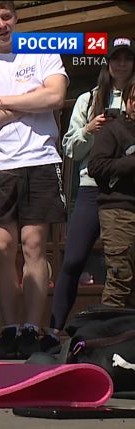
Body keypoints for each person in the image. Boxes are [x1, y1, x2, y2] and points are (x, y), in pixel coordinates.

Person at [0, 1, 68, 359]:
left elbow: (55, 95)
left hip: (40, 159)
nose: (1, 25)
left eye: (6, 17)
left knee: (34, 245)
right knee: (3, 247)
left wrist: (2, 104)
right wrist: (29, 101)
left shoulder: (42, 53)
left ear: (16, 18)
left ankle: (31, 329)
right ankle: (9, 329)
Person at [49, 37, 135, 339]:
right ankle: (54, 330)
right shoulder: (88, 98)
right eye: (116, 58)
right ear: (107, 63)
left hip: (126, 193)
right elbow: (69, 148)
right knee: (73, 259)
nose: (121, 64)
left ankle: (118, 335)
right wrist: (89, 129)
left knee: (123, 267)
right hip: (91, 188)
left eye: (127, 58)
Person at [87, 75, 135, 308]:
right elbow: (95, 167)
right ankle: (109, 330)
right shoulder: (113, 130)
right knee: (119, 281)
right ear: (126, 101)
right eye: (134, 99)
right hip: (119, 211)